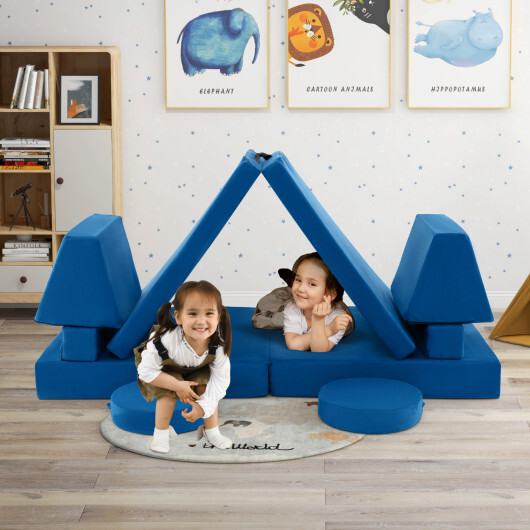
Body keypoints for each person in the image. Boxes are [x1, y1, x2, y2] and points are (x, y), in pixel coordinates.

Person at [135, 280, 232, 453]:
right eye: (193, 314)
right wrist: (177, 385)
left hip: (195, 368)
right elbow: (145, 371)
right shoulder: (165, 341)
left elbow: (220, 381)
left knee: (206, 387)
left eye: (209, 313)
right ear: (178, 317)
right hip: (162, 370)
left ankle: (212, 431)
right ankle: (161, 433)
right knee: (167, 394)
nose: (201, 321)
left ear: (218, 317)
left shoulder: (218, 346)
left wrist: (202, 408)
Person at [281, 252, 354, 352]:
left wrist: (318, 320)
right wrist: (329, 330)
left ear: (330, 294)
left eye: (312, 284)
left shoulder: (336, 318)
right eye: (298, 280)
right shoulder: (292, 308)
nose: (300, 288)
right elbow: (293, 345)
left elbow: (319, 350)